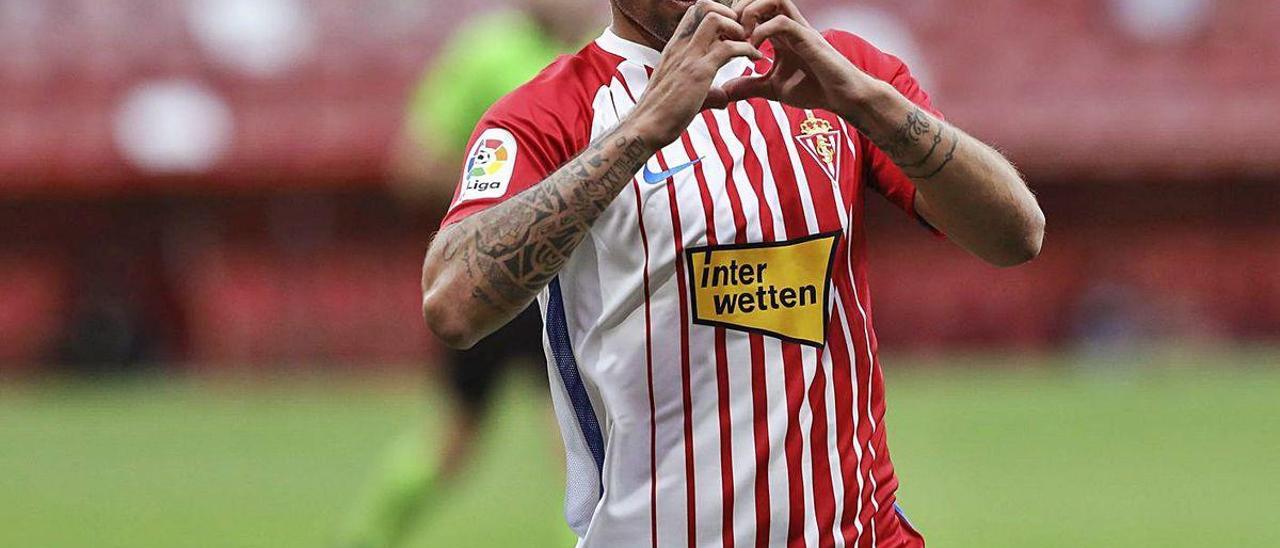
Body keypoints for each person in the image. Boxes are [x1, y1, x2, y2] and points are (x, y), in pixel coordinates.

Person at [420, 0, 1045, 545]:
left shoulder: (833, 71)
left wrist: (866, 100)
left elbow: (1017, 235)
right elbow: (452, 302)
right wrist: (641, 129)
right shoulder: (552, 111)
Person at [337, 2, 595, 546]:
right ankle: (367, 536)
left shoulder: (603, 49)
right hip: (505, 274)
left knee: (574, 435)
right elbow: (416, 161)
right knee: (470, 438)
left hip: (573, 275)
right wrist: (508, 200)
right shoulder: (486, 51)